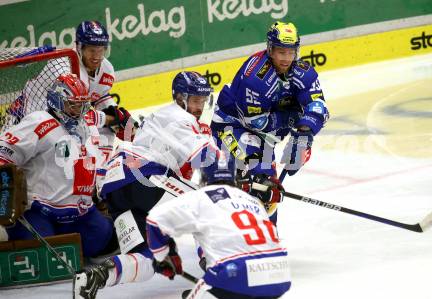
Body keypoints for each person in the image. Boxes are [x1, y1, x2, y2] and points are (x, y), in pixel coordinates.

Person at [73, 71, 221, 299]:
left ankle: (96, 277)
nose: (199, 107)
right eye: (194, 100)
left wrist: (166, 248)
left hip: (115, 187)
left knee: (148, 258)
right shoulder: (180, 118)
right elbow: (207, 158)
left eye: (202, 101)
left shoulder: (163, 118)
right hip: (143, 175)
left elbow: (181, 179)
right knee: (204, 206)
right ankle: (217, 272)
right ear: (180, 98)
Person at [211, 21, 330, 223]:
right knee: (256, 182)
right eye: (281, 52)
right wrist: (290, 117)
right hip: (231, 127)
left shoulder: (302, 72)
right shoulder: (255, 78)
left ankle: (267, 239)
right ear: (270, 49)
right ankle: (215, 244)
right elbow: (256, 124)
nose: (286, 58)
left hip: (264, 133)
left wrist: (303, 135)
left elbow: (318, 107)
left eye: (291, 52)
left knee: (268, 190)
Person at [0, 73, 113, 258]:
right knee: (42, 256)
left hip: (79, 212)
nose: (79, 111)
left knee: (104, 240)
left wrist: (115, 117)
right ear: (56, 101)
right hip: (38, 211)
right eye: (72, 104)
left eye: (83, 105)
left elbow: (98, 119)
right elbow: (4, 151)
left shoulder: (85, 124)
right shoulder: (40, 122)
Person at [147, 160, 291, 299]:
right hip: (279, 273)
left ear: (204, 178)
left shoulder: (201, 197)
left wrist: (163, 256)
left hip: (236, 273)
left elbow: (155, 220)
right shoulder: (252, 200)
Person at [75, 20, 136, 162]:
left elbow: (99, 95)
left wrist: (115, 112)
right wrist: (108, 119)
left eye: (101, 50)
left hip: (71, 113)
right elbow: (71, 114)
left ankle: (100, 172)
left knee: (107, 130)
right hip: (41, 116)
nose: (97, 57)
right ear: (80, 48)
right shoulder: (68, 69)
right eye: (91, 50)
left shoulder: (107, 70)